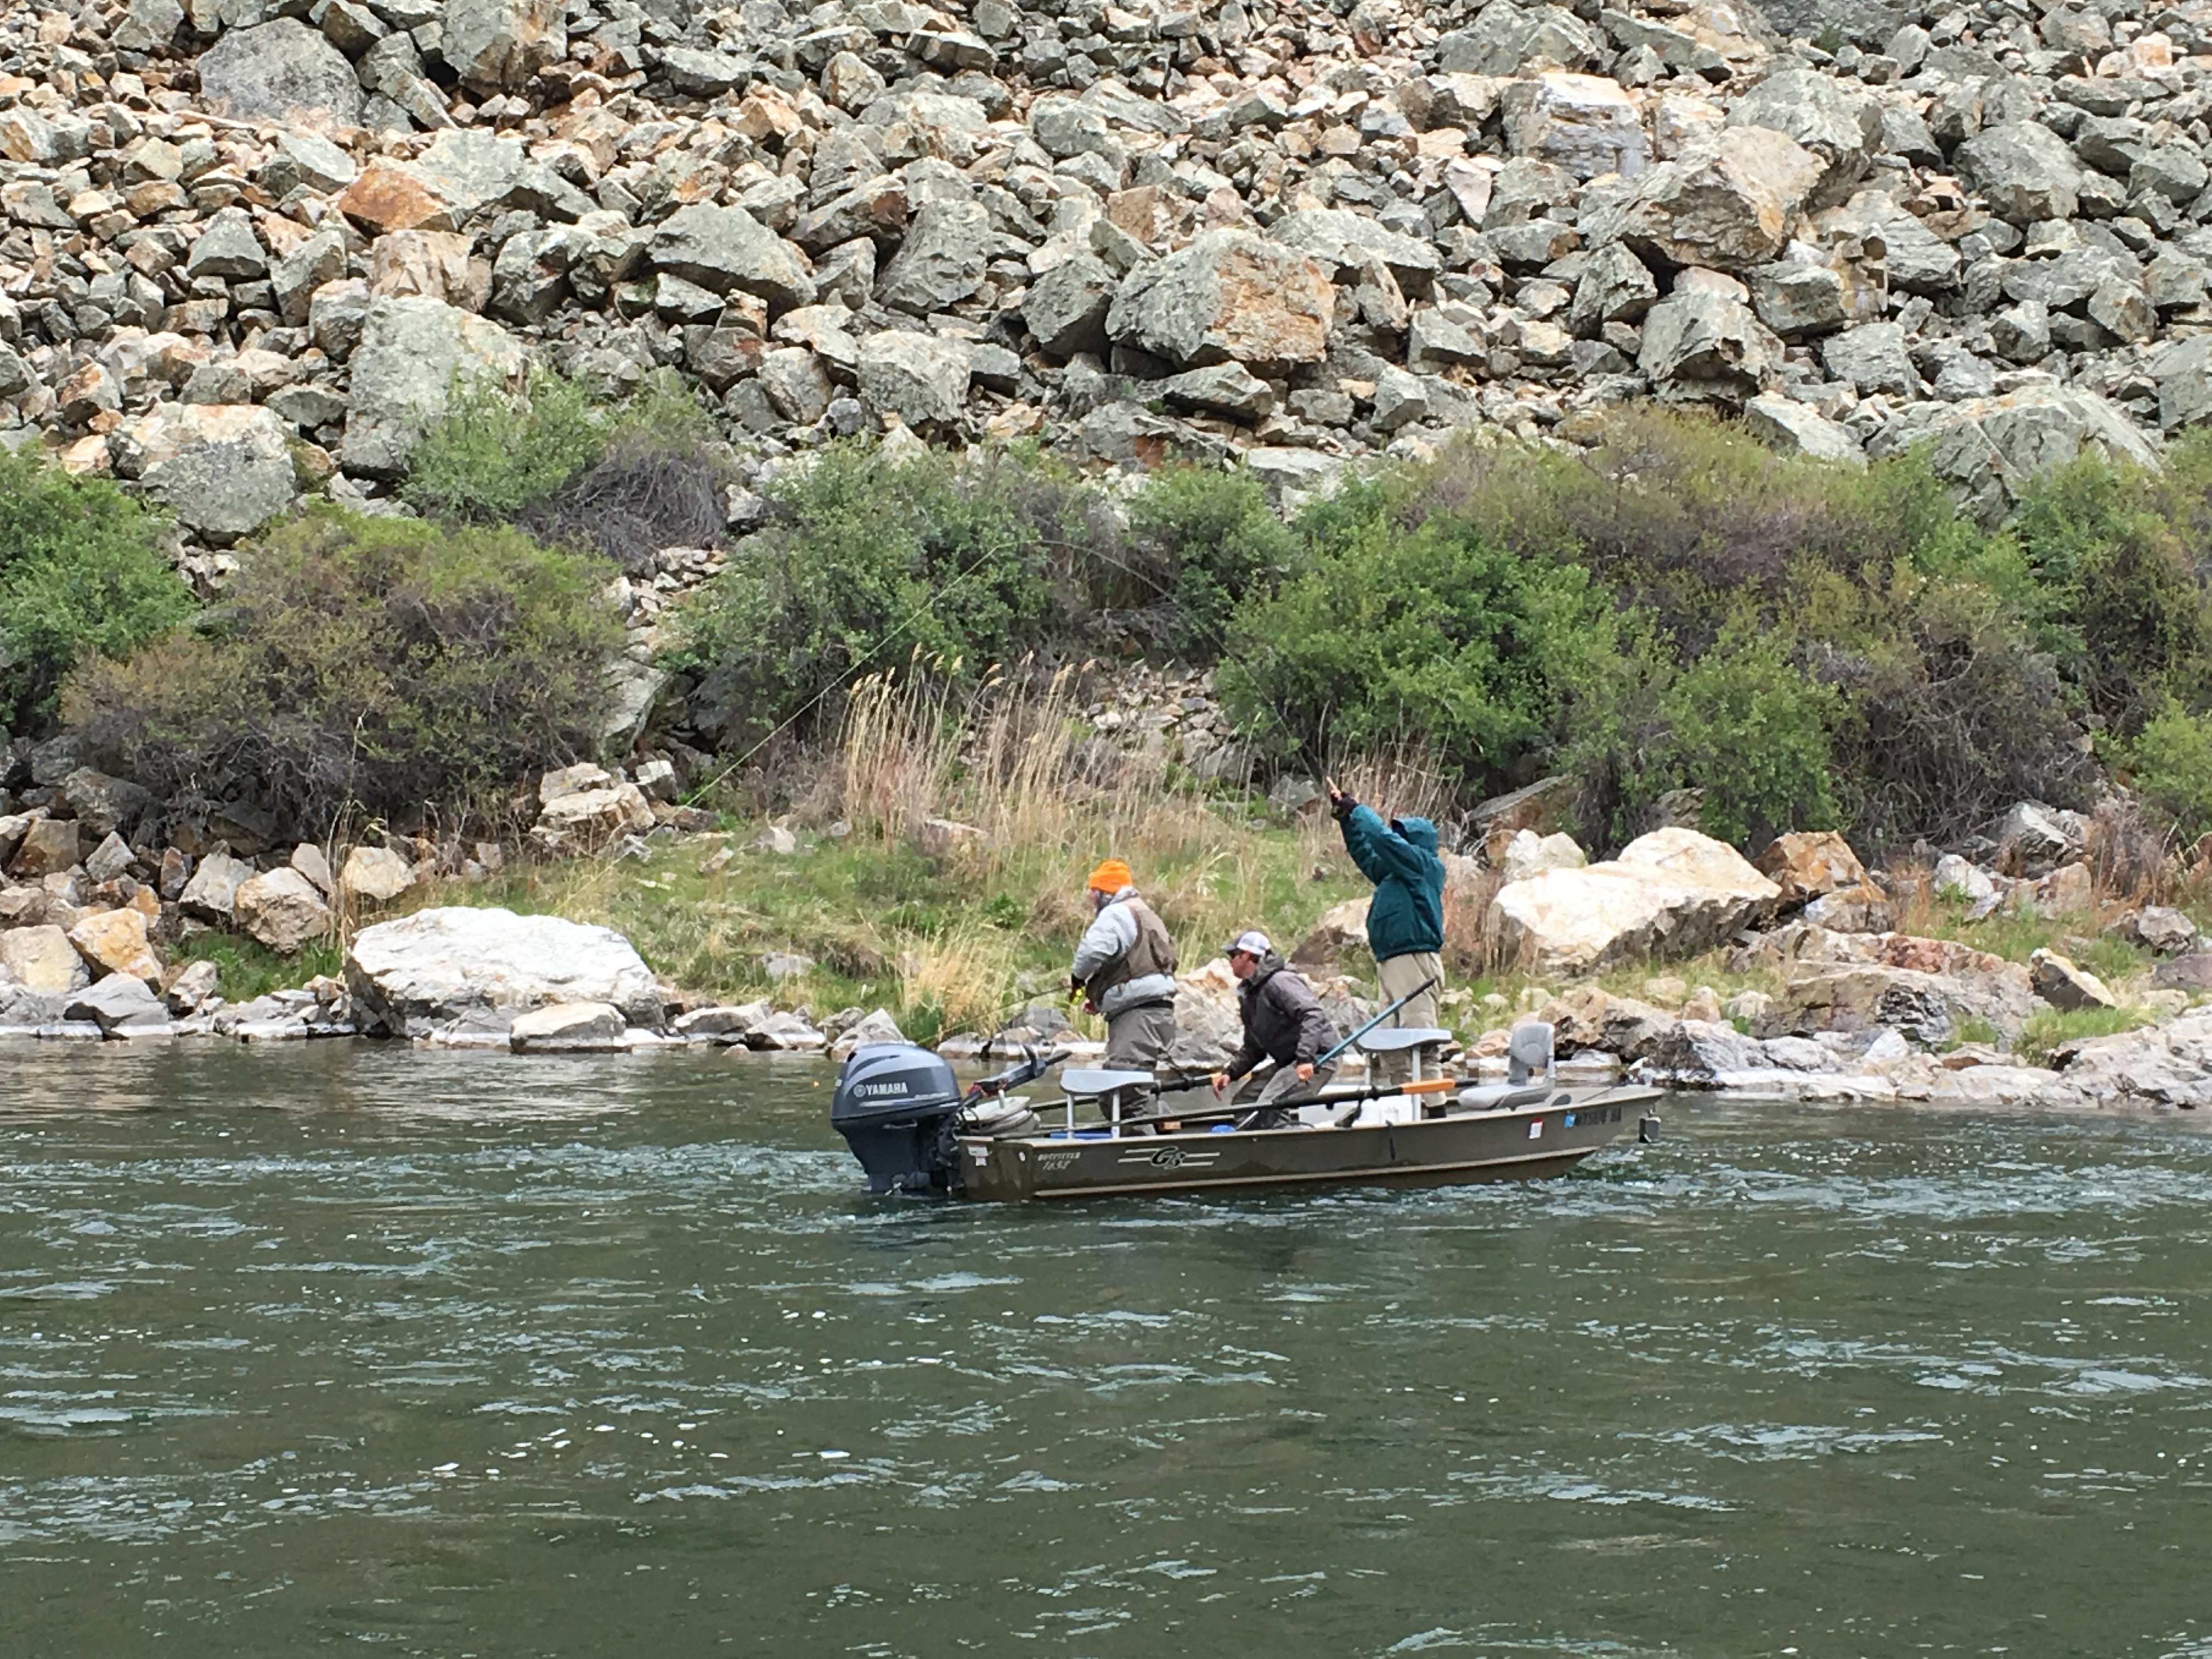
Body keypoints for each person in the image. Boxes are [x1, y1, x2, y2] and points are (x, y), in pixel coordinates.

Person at [1327, 780, 1445, 1088]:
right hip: (1390, 962)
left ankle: (1433, 1116)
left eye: (1403, 837)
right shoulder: (1393, 873)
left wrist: (1358, 810)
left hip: (1415, 961)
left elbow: (1382, 840)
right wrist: (1347, 820)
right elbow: (1367, 853)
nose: (1397, 841)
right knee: (1391, 1047)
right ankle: (1403, 1111)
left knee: (1421, 1045)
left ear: (1416, 843)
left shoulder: (1423, 865)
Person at [1210, 930, 1341, 1127]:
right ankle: (1253, 1150)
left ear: (1246, 956)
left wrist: (1305, 1059)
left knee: (1269, 1106)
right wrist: (1231, 1072)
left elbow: (1313, 1014)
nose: (1229, 961)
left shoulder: (1280, 981)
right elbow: (1254, 1047)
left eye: (1232, 955)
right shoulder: (1250, 994)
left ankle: (1284, 1148)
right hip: (1289, 1061)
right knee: (1244, 1104)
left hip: (1319, 1058)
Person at [1068, 859, 1178, 1073]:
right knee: (1125, 1087)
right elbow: (1142, 968)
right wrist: (1101, 997)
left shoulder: (1117, 913)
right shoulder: (1147, 913)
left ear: (1106, 892)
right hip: (1158, 1013)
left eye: (1094, 890)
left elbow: (1091, 953)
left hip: (1137, 1018)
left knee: (1124, 1089)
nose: (1090, 896)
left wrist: (1078, 980)